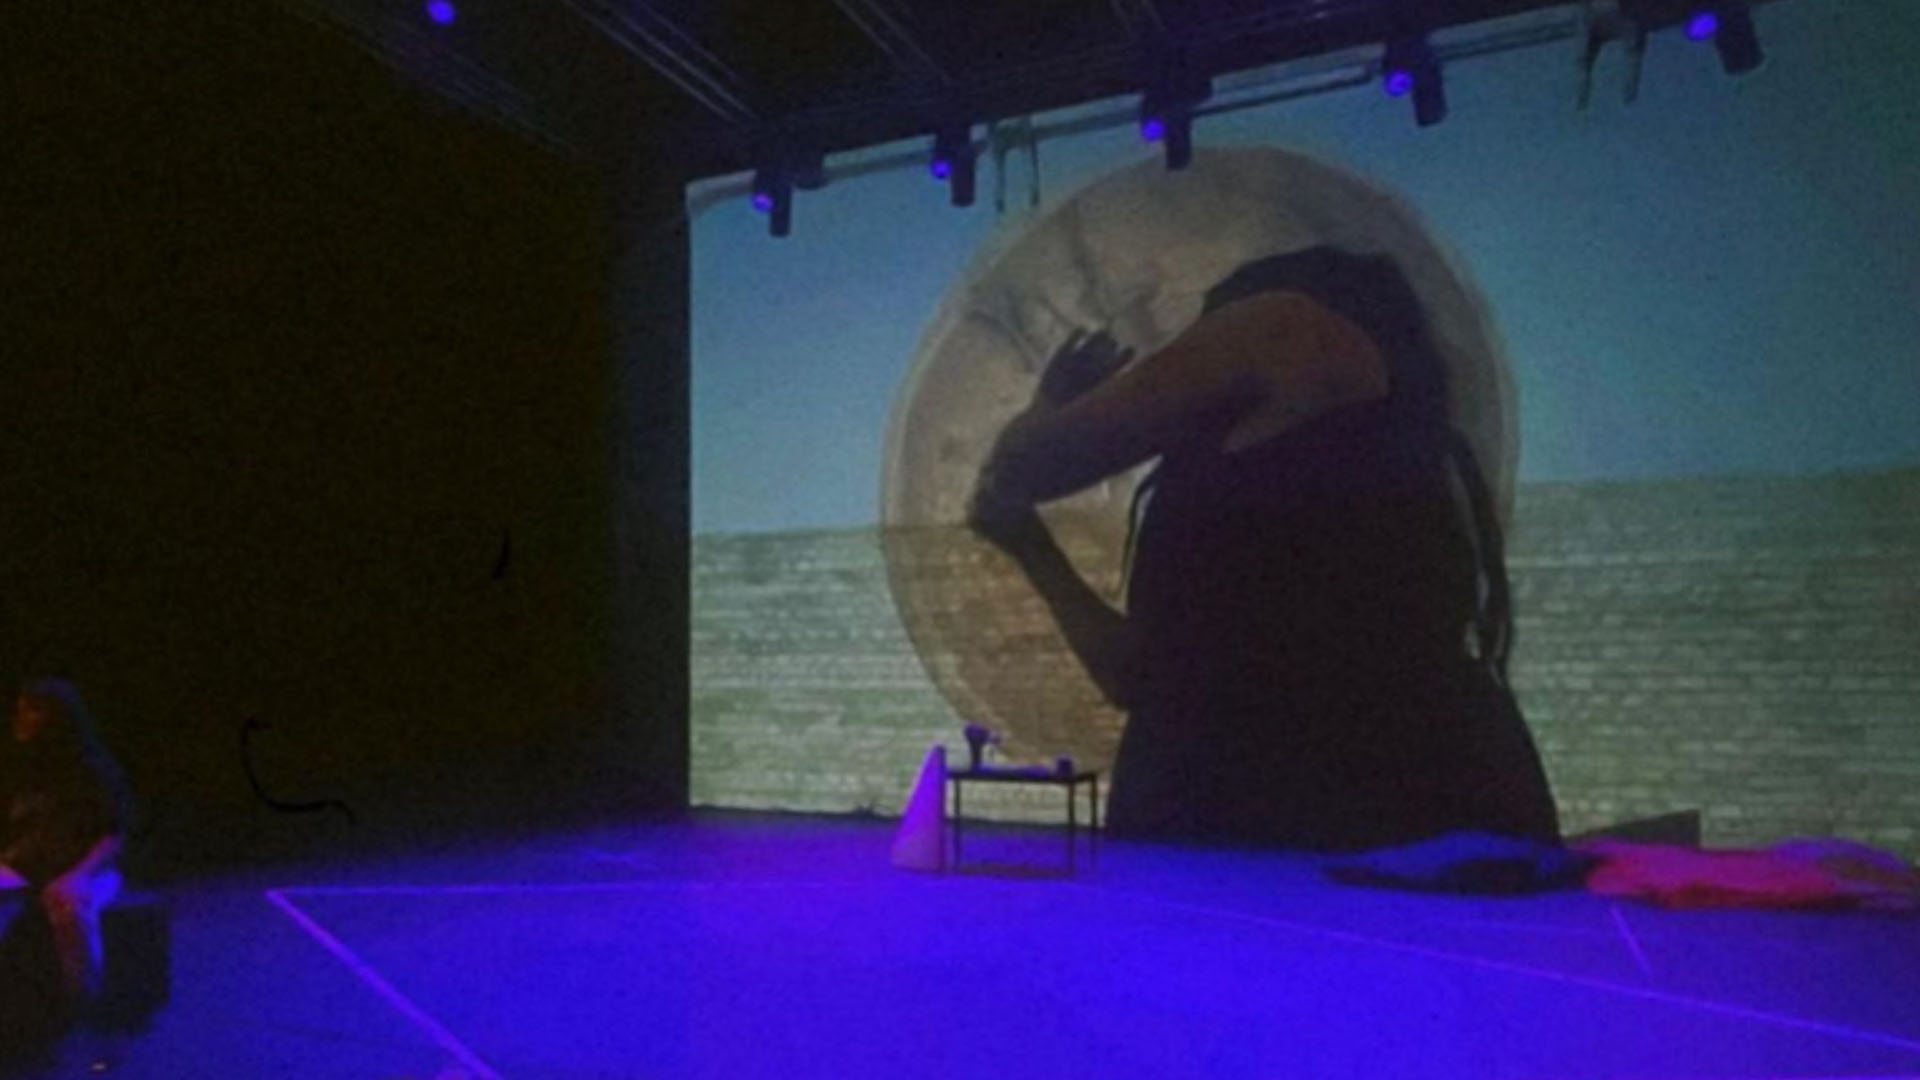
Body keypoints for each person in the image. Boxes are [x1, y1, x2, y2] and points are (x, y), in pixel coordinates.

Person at [969, 245, 1559, 852]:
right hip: (1334, 809)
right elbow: (1144, 680)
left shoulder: (1287, 322)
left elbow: (1025, 464)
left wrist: (1048, 408)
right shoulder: (1390, 460)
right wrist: (1031, 548)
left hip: (1314, 811)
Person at [0, 678, 131, 1008]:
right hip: (35, 867)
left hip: (91, 870)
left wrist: (77, 875)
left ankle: (82, 1001)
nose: (21, 717)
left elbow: (113, 835)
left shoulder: (91, 769)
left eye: (33, 710)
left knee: (68, 904)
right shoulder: (27, 768)